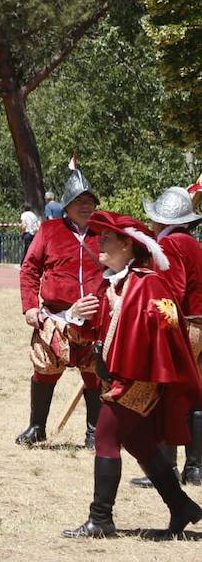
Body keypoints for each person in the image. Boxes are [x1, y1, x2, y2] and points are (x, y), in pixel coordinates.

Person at [62, 210, 202, 539]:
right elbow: (92, 332)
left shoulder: (149, 283)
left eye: (107, 238)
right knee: (140, 443)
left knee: (106, 437)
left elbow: (163, 333)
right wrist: (76, 317)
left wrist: (129, 371)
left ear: (128, 245)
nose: (100, 243)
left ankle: (101, 519)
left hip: (135, 379)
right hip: (117, 377)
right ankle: (181, 506)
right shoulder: (113, 284)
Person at [16, 161, 104, 447]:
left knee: (94, 374)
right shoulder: (50, 231)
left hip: (94, 318)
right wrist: (30, 306)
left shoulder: (104, 233)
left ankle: (94, 432)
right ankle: (37, 427)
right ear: (66, 205)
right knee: (45, 369)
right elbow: (29, 268)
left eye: (90, 201)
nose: (85, 206)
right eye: (79, 201)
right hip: (56, 316)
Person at [138, 186, 202, 487]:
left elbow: (171, 293)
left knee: (168, 394)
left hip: (184, 327)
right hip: (198, 325)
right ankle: (196, 468)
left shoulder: (172, 245)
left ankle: (167, 470)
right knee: (195, 398)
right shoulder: (190, 242)